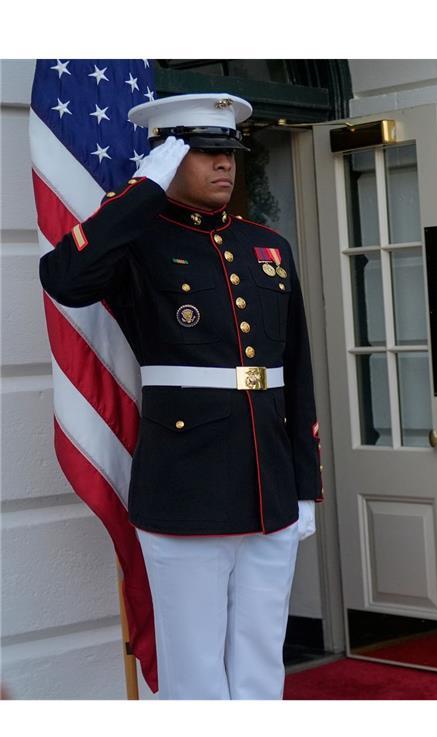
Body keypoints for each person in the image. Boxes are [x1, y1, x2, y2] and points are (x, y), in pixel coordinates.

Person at [39, 93, 322, 700]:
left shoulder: (265, 245)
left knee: (259, 657)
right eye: (204, 151)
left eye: (230, 152)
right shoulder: (137, 241)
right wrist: (143, 191)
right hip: (186, 485)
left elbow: (295, 370)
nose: (224, 164)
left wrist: (304, 485)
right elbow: (64, 277)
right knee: (193, 668)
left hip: (268, 484)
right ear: (168, 157)